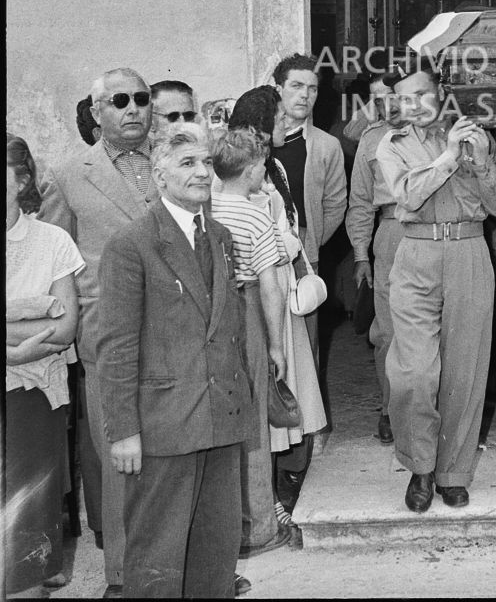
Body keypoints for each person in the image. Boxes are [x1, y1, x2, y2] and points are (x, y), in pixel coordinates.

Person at [96, 125, 254, 598]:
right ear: (158, 176)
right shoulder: (132, 245)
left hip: (220, 417)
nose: (203, 172)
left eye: (206, 163)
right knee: (156, 557)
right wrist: (124, 430)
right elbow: (117, 346)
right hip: (164, 423)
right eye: (188, 164)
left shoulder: (221, 236)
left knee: (215, 550)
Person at [38, 68, 156, 599]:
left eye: (141, 100)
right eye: (119, 101)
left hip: (178, 328)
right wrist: (83, 320)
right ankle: (124, 577)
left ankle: (182, 564)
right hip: (110, 332)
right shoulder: (68, 176)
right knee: (120, 454)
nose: (132, 110)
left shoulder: (173, 160)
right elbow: (55, 260)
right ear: (97, 112)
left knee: (176, 449)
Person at [376, 61, 496, 512]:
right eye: (403, 98)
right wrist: (449, 156)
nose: (411, 106)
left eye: (420, 95)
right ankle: (419, 466)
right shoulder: (389, 145)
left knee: (465, 372)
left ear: (441, 92)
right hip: (415, 256)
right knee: (413, 372)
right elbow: (408, 198)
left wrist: (482, 159)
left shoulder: (477, 135)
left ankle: (452, 472)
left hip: (470, 252)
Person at [228, 87, 327, 522]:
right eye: (281, 118)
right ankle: (265, 501)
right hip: (262, 291)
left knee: (290, 387)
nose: (289, 124)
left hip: (283, 290)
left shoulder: (277, 170)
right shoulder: (236, 178)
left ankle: (283, 487)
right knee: (270, 385)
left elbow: (290, 226)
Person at [6, 135, 85, 599]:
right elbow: (44, 323)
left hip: (34, 395)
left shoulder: (51, 240)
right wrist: (22, 327)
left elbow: (64, 329)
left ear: (21, 181)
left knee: (27, 516)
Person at [210, 128, 292, 559]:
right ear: (250, 171)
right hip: (244, 311)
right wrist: (275, 344)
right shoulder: (255, 214)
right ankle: (259, 529)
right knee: (255, 418)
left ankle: (222, 527)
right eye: (262, 165)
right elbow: (271, 286)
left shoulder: (204, 206)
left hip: (208, 316)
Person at [270, 53, 347, 453]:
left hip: (302, 260)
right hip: (258, 258)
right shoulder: (257, 138)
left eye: (313, 87)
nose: (305, 94)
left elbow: (336, 203)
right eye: (297, 85)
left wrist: (308, 244)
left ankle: (308, 432)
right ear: (278, 87)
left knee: (306, 347)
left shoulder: (327, 146)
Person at [344, 74, 403, 445]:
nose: (388, 105)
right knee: (387, 329)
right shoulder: (370, 138)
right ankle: (389, 409)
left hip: (432, 231)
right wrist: (361, 253)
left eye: (395, 96)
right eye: (379, 99)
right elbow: (361, 203)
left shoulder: (433, 133)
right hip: (392, 230)